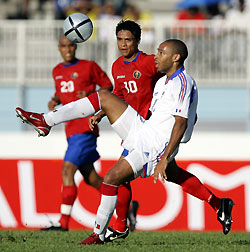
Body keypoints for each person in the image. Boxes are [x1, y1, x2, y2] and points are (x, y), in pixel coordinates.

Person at [16, 39, 234, 245]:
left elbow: (182, 122)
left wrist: (165, 157)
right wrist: (105, 113)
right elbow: (180, 116)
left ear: (176, 57)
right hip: (144, 130)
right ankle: (46, 120)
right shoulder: (163, 82)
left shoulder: (183, 83)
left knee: (112, 179)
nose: (156, 56)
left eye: (161, 52)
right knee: (105, 97)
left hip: (155, 146)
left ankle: (100, 234)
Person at [89, 19, 164, 241]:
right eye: (120, 39)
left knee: (117, 177)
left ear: (138, 41)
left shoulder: (150, 62)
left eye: (128, 40)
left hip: (149, 131)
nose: (123, 44)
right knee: (121, 178)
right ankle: (217, 203)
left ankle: (119, 226)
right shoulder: (116, 66)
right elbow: (120, 94)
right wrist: (102, 112)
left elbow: (172, 76)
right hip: (131, 130)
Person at [40, 35, 113, 231]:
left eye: (71, 45)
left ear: (75, 47)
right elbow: (63, 92)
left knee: (67, 170)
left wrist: (90, 96)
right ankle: (128, 204)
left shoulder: (89, 66)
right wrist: (55, 100)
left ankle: (63, 223)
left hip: (85, 128)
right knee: (92, 179)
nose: (68, 49)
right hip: (70, 129)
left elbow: (108, 87)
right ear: (59, 48)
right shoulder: (56, 71)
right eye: (64, 46)